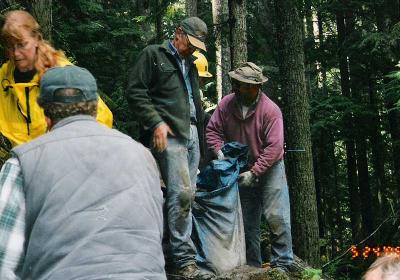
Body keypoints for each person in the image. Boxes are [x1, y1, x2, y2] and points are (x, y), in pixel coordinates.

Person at [0, 65, 166, 279]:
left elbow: (5, 262)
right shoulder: (143, 156)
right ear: (96, 108)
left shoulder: (22, 163)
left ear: (45, 113)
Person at [126, 17, 208, 279]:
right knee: (181, 194)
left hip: (192, 132)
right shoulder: (153, 55)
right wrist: (155, 123)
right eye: (191, 43)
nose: (194, 49)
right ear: (178, 33)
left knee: (186, 196)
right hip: (168, 132)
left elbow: (195, 102)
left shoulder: (192, 64)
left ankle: (168, 254)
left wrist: (203, 136)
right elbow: (135, 92)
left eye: (198, 45)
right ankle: (184, 262)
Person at [206, 62, 294, 272]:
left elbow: (274, 147)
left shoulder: (270, 110)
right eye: (239, 84)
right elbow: (212, 131)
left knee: (277, 216)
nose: (239, 88)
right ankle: (251, 266)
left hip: (270, 168)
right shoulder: (226, 104)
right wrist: (221, 153)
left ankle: (282, 264)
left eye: (245, 85)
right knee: (247, 223)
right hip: (240, 168)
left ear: (256, 87)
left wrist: (255, 172)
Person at [0, 10, 113, 148]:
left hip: (61, 156)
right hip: (23, 158)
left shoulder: (62, 74)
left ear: (36, 39)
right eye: (10, 46)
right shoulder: (4, 77)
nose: (16, 54)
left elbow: (101, 119)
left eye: (22, 45)